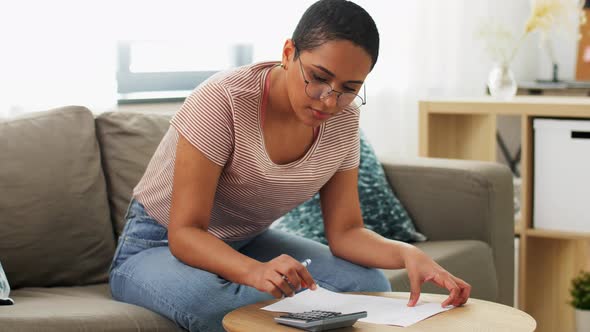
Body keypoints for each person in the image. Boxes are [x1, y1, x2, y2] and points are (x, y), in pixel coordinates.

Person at [108, 0, 471, 331]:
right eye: (318, 77)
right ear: (288, 52)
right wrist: (254, 271)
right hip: (156, 244)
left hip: (246, 240)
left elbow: (346, 232)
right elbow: (185, 233)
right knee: (229, 305)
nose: (329, 101)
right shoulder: (223, 101)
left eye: (348, 88)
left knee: (370, 285)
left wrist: (408, 254)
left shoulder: (344, 121)